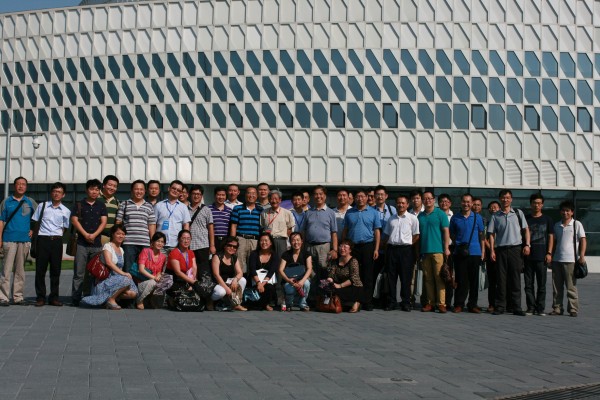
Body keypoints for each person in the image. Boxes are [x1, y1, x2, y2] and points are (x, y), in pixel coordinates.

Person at [488, 189, 530, 316]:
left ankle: (516, 307)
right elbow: (491, 234)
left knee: (515, 278)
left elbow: (526, 229)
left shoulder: (518, 213)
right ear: (500, 199)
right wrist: (492, 250)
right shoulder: (495, 216)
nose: (505, 200)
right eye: (503, 197)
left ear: (511, 199)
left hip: (515, 249)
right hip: (500, 250)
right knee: (501, 279)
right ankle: (500, 306)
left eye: (507, 197)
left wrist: (527, 244)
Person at [69, 179, 108, 306]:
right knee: (79, 272)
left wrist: (94, 235)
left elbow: (103, 222)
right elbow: (74, 220)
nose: (94, 192)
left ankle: (90, 296)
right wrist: (85, 234)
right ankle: (76, 297)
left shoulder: (101, 205)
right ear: (86, 190)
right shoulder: (79, 205)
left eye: (97, 189)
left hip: (96, 244)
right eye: (92, 189)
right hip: (81, 243)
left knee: (95, 272)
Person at [81, 225, 138, 310]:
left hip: (117, 278)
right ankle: (111, 299)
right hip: (106, 279)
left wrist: (123, 275)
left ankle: (106, 298)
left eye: (123, 234)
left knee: (133, 293)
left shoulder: (121, 249)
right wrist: (123, 273)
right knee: (126, 279)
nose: (121, 236)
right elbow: (109, 263)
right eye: (118, 233)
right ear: (112, 234)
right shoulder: (108, 246)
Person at [0, 177, 37, 306]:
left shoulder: (30, 202)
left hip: (24, 240)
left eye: (23, 184)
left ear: (26, 187)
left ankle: (18, 297)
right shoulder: (6, 202)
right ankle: (3, 297)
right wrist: (0, 239)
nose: (21, 186)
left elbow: (38, 218)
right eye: (18, 184)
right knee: (6, 270)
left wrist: (33, 230)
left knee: (20, 270)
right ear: (14, 186)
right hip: (9, 239)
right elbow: (1, 221)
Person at [32, 182, 71, 307]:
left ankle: (54, 297)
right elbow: (35, 221)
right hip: (42, 240)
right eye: (54, 191)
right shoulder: (42, 206)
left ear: (63, 195)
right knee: (40, 270)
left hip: (57, 241)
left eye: (59, 192)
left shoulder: (66, 211)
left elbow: (65, 228)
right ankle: (40, 297)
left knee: (55, 270)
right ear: (51, 193)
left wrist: (56, 235)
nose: (56, 194)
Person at [342, 189, 381, 311]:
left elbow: (377, 232)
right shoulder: (349, 212)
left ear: (367, 197)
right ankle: (355, 300)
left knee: (368, 275)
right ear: (354, 198)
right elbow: (345, 230)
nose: (360, 199)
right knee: (353, 274)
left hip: (368, 246)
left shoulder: (374, 212)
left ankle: (367, 301)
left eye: (363, 196)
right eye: (358, 196)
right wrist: (343, 246)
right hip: (353, 247)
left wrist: (376, 249)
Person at [449, 194, 485, 313]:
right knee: (460, 279)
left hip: (475, 252)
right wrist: (458, 243)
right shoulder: (455, 218)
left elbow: (481, 235)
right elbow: (452, 234)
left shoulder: (477, 217)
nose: (466, 204)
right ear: (461, 203)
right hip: (460, 252)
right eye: (464, 201)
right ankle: (459, 304)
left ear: (472, 203)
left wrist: (483, 251)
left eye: (468, 202)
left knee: (474, 281)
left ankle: (472, 304)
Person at [382, 195, 419, 311]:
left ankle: (406, 302)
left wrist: (408, 243)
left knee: (406, 278)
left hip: (406, 250)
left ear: (407, 205)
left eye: (403, 203)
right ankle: (392, 302)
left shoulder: (412, 218)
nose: (401, 205)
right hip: (392, 249)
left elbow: (416, 235)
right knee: (391, 277)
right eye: (399, 203)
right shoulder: (391, 219)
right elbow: (387, 235)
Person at [550, 201, 586, 317]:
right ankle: (557, 308)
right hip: (557, 260)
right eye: (563, 210)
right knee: (556, 287)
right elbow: (554, 242)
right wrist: (551, 256)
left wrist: (582, 256)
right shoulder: (557, 225)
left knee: (571, 287)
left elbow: (583, 240)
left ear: (572, 212)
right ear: (560, 212)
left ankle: (573, 309)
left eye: (567, 211)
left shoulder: (576, 224)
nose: (565, 213)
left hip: (571, 260)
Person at [417, 191, 451, 313]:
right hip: (425, 251)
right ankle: (430, 303)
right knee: (428, 279)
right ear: (422, 201)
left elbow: (446, 231)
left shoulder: (440, 214)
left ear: (433, 200)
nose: (427, 200)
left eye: (429, 198)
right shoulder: (420, 216)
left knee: (439, 278)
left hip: (438, 251)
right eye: (425, 199)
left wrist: (446, 248)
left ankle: (441, 303)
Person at [115, 180, 156, 272]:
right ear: (132, 191)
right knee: (128, 269)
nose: (139, 191)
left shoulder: (149, 206)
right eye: (136, 189)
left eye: (141, 189)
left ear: (145, 191)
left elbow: (152, 225)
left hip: (145, 243)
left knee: (143, 271)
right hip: (128, 242)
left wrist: (152, 241)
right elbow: (118, 223)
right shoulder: (124, 204)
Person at [524, 193, 554, 316]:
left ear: (542, 205)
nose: (536, 205)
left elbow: (551, 237)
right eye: (534, 203)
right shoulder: (526, 218)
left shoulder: (547, 219)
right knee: (528, 284)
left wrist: (549, 253)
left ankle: (540, 308)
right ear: (531, 204)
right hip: (528, 257)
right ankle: (530, 307)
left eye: (539, 203)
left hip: (542, 256)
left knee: (541, 284)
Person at [230, 186, 263, 272]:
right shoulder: (237, 208)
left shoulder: (261, 210)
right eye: (249, 193)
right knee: (239, 264)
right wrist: (232, 241)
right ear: (245, 195)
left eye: (253, 193)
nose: (251, 195)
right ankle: (239, 280)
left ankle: (252, 280)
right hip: (241, 239)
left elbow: (262, 227)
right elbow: (233, 226)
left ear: (257, 196)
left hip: (255, 240)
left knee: (253, 264)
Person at [210, 236, 247, 311]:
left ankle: (237, 303)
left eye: (235, 247)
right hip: (217, 283)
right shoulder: (217, 256)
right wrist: (226, 289)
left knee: (242, 280)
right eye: (229, 245)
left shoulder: (234, 258)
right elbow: (216, 275)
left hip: (228, 281)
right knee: (221, 292)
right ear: (224, 246)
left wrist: (235, 280)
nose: (232, 248)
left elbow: (240, 272)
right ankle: (210, 300)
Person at [279, 232, 313, 311]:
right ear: (290, 242)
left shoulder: (306, 254)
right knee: (289, 288)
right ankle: (289, 304)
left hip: (302, 279)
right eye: (293, 240)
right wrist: (288, 280)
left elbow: (309, 268)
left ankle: (303, 304)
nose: (296, 242)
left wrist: (302, 281)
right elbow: (280, 270)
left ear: (302, 241)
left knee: (307, 283)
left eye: (298, 240)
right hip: (289, 280)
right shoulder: (286, 254)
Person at [154, 180, 191, 251]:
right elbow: (153, 224)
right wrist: (153, 240)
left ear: (180, 193)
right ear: (169, 188)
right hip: (160, 244)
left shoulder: (183, 207)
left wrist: (185, 242)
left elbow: (186, 225)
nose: (175, 191)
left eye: (178, 190)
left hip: (176, 245)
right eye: (174, 188)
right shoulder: (158, 205)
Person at [135, 232, 169, 310]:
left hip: (154, 280)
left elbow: (159, 271)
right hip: (142, 281)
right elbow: (141, 269)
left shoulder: (163, 257)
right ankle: (139, 300)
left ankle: (153, 300)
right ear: (153, 242)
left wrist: (159, 275)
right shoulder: (146, 251)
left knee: (168, 280)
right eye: (158, 241)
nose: (160, 243)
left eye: (162, 242)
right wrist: (154, 277)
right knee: (153, 282)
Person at [246, 233, 280, 311]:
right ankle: (262, 304)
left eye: (266, 240)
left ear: (271, 243)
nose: (264, 242)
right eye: (261, 240)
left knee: (270, 288)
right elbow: (252, 269)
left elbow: (271, 272)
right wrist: (258, 283)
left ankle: (262, 304)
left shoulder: (274, 255)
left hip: (267, 281)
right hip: (255, 281)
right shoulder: (254, 254)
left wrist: (262, 284)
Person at [327, 240, 362, 313]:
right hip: (338, 284)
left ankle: (355, 302)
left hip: (352, 286)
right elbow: (331, 274)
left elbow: (353, 278)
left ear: (350, 250)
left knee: (339, 292)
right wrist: (330, 280)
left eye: (345, 247)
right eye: (340, 246)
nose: (342, 248)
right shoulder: (335, 261)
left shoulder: (353, 261)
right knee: (326, 289)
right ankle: (346, 304)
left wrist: (340, 285)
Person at [260, 189, 294, 258]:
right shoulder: (264, 212)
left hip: (281, 240)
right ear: (269, 200)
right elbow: (262, 226)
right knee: (268, 259)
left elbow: (290, 229)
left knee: (281, 260)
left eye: (276, 198)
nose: (274, 201)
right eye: (271, 199)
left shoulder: (287, 213)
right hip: (268, 241)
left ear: (280, 200)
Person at [188, 185, 215, 265]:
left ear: (201, 196)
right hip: (188, 245)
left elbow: (211, 228)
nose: (196, 196)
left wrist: (212, 245)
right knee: (190, 268)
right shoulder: (185, 209)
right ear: (190, 194)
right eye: (194, 194)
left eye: (198, 194)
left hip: (203, 244)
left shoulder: (206, 210)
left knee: (203, 269)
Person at [485, 201, 501, 313]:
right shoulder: (487, 222)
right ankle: (492, 303)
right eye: (491, 207)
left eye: (495, 207)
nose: (493, 208)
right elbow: (484, 237)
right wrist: (491, 249)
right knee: (492, 280)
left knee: (502, 280)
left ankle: (502, 303)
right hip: (491, 252)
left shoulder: (502, 220)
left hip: (502, 251)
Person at [97, 175, 120, 245]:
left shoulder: (117, 202)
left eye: (114, 186)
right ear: (103, 185)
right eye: (110, 185)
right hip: (97, 237)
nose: (112, 188)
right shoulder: (95, 198)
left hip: (111, 239)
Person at [208, 186, 232, 252]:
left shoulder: (229, 211)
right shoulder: (208, 209)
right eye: (218, 195)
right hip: (212, 240)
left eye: (223, 195)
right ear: (215, 196)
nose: (221, 197)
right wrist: (211, 245)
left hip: (225, 240)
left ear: (226, 196)